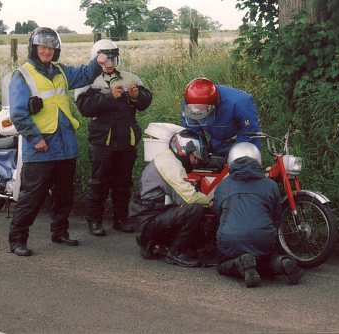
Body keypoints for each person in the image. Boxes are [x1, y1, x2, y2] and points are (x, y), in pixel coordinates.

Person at [8, 27, 107, 257]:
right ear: (34, 48)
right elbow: (19, 115)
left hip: (65, 145)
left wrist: (97, 62)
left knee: (64, 195)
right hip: (41, 147)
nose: (47, 52)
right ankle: (17, 240)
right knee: (32, 197)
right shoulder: (22, 75)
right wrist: (36, 139)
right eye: (43, 47)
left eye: (51, 48)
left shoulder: (61, 71)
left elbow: (83, 75)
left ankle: (59, 233)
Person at [75, 39, 152, 237]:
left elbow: (145, 102)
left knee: (124, 181)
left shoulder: (130, 77)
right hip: (103, 139)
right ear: (96, 59)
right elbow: (85, 108)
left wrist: (136, 96)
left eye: (112, 58)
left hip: (127, 138)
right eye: (105, 59)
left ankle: (121, 219)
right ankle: (94, 221)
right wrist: (110, 97)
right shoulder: (88, 80)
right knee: (99, 181)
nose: (109, 63)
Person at [212, 142, 304, 287]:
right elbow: (277, 216)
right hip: (263, 238)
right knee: (264, 258)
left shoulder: (223, 185)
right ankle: (281, 263)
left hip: (231, 238)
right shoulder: (270, 185)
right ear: (258, 160)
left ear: (231, 161)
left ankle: (242, 262)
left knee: (222, 264)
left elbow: (218, 212)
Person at [129, 130, 211, 268]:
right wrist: (211, 202)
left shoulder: (167, 159)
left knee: (189, 209)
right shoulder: (171, 165)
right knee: (195, 209)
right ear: (184, 150)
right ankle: (175, 253)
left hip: (147, 215)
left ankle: (153, 241)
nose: (195, 161)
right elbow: (190, 198)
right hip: (147, 219)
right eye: (194, 157)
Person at [181, 77, 261, 157]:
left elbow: (249, 130)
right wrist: (200, 147)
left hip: (242, 138)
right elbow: (192, 129)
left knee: (243, 163)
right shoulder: (191, 99)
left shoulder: (241, 103)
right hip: (217, 140)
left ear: (214, 105)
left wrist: (236, 153)